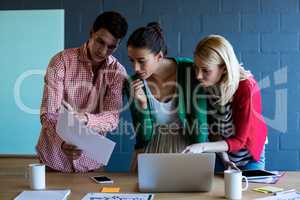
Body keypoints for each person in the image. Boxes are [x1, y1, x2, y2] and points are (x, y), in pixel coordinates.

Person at [36, 11, 128, 172]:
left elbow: (112, 118)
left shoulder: (117, 72)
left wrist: (85, 119)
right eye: (100, 41)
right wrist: (62, 142)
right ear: (91, 32)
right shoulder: (61, 61)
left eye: (111, 47)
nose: (103, 51)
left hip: (91, 162)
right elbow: (48, 114)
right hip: (54, 159)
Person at [124, 22, 208, 172]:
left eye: (141, 61)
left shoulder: (191, 70)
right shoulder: (133, 83)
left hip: (187, 149)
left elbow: (200, 126)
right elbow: (143, 136)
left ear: (159, 56)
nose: (136, 68)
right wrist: (142, 105)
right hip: (151, 149)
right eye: (132, 60)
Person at [183, 35, 268, 170]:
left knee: (248, 190)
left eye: (205, 70)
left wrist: (202, 147)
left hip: (249, 155)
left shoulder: (246, 88)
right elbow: (215, 131)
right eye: (196, 68)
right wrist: (225, 160)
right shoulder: (207, 85)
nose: (198, 76)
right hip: (224, 154)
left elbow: (240, 141)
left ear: (223, 68)